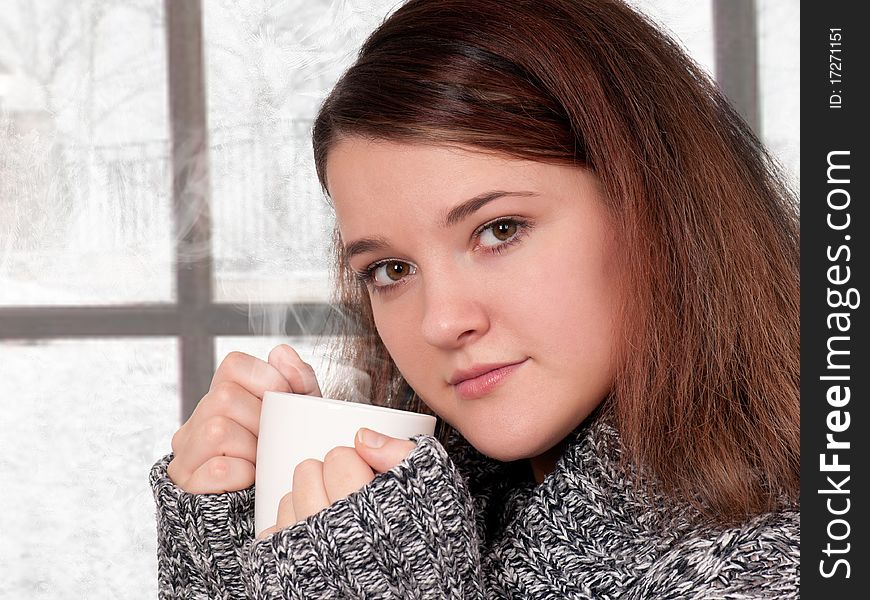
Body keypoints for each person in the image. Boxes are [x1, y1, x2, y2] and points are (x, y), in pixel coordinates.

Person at [150, 0, 800, 597]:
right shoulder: (419, 507)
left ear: (657, 208)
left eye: (499, 230)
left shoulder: (771, 565)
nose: (442, 322)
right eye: (392, 269)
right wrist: (227, 558)